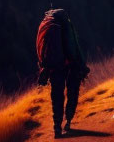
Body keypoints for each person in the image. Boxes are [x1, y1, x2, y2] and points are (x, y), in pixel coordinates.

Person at [36, 8, 90, 138]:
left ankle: (57, 128)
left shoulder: (46, 25)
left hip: (54, 67)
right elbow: (75, 46)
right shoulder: (66, 24)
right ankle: (68, 122)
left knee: (57, 97)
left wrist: (46, 67)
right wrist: (81, 65)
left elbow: (41, 50)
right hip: (70, 64)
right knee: (72, 92)